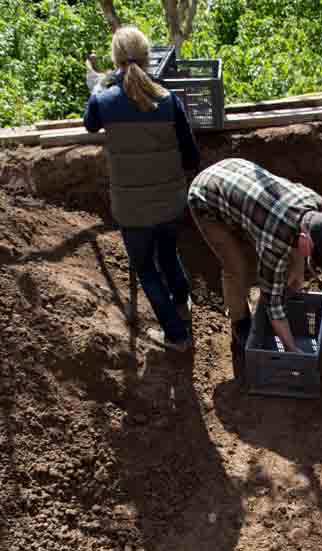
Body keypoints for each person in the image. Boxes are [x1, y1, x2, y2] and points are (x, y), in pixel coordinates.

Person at [83, 26, 201, 352]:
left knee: (147, 269)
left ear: (115, 59)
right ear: (149, 58)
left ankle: (177, 337)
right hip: (171, 203)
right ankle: (181, 301)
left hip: (132, 210)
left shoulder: (105, 101)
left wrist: (100, 85)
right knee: (168, 252)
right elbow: (192, 157)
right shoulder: (169, 100)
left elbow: (90, 123)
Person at [187, 158, 322, 372]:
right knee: (237, 270)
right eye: (314, 253)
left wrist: (297, 268)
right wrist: (292, 350)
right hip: (207, 196)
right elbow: (273, 305)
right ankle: (239, 323)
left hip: (239, 181)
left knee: (266, 257)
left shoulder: (317, 205)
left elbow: (296, 238)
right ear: (304, 238)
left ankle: (244, 230)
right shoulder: (274, 241)